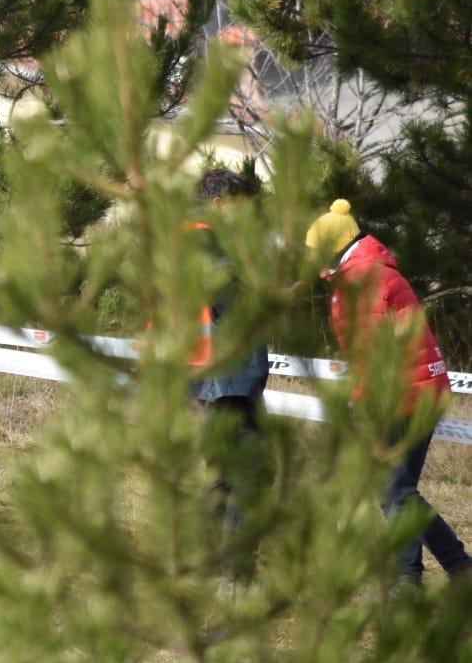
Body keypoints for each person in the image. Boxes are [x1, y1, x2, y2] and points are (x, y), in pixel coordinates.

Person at [305, 198, 472, 585]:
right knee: (398, 492)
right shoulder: (366, 271)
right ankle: (449, 569)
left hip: (402, 395)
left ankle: (420, 578)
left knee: (393, 491)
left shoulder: (362, 279)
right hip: (416, 390)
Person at [190, 169, 271, 580]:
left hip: (217, 380)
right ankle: (237, 571)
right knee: (250, 473)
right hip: (229, 379)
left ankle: (206, 561)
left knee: (225, 473)